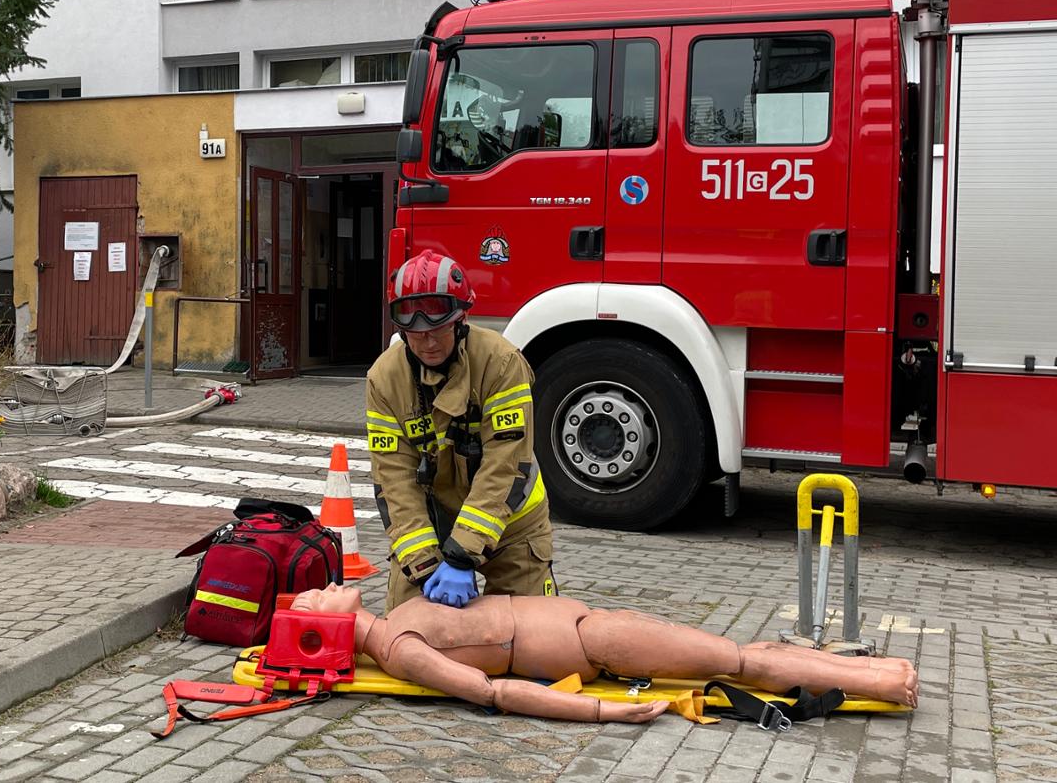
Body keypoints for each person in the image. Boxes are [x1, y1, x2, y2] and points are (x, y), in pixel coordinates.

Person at [290, 584, 918, 723]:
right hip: (591, 644)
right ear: (332, 631)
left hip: (590, 624)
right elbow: (492, 694)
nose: (320, 590)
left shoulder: (399, 611)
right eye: (315, 603)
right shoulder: (401, 648)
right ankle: (880, 680)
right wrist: (600, 712)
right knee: (735, 661)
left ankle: (867, 671)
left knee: (731, 654)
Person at [367, 251, 553, 613]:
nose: (428, 342)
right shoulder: (384, 379)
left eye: (438, 329)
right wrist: (423, 566)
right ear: (402, 330)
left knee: (535, 638)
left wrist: (463, 554)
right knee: (406, 630)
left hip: (512, 523)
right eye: (416, 333)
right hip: (432, 521)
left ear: (460, 319)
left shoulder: (500, 363)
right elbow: (393, 479)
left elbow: (506, 465)